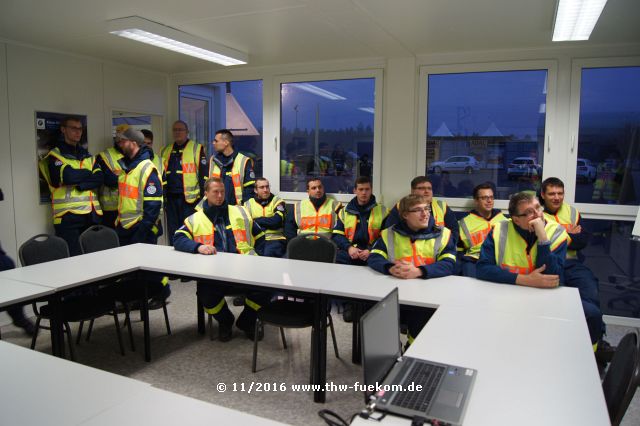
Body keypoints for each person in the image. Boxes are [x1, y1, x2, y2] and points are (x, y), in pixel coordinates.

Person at [174, 177, 267, 342]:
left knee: (267, 289)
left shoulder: (241, 211)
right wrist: (198, 247)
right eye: (215, 192)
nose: (220, 196)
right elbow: (178, 238)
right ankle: (225, 321)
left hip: (244, 270)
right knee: (205, 294)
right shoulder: (195, 218)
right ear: (206, 194)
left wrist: (258, 260)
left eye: (222, 192)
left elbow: (260, 236)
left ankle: (247, 321)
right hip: (213, 273)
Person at [368, 194, 456, 343]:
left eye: (427, 209)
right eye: (418, 210)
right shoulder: (389, 233)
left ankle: (412, 346)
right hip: (396, 290)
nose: (425, 213)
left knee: (421, 322)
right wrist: (389, 268)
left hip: (429, 295)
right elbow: (374, 256)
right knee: (374, 311)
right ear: (405, 215)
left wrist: (419, 271)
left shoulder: (444, 234)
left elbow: (448, 263)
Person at [540, 177, 610, 354]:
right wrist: (568, 233)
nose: (556, 197)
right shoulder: (536, 213)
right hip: (551, 263)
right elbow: (543, 244)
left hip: (572, 262)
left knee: (590, 289)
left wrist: (559, 235)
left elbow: (582, 241)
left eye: (560, 193)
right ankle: (562, 341)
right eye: (552, 193)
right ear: (543, 195)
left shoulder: (572, 212)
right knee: (559, 299)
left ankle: (597, 340)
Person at [115, 128, 169, 304]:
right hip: (125, 226)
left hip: (141, 227)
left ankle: (163, 291)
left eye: (122, 141)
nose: (119, 144)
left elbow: (153, 206)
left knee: (150, 268)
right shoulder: (126, 167)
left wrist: (142, 231)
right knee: (133, 270)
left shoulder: (147, 168)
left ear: (133, 142)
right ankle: (137, 298)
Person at [39, 116, 103, 256]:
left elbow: (99, 178)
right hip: (68, 218)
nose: (78, 132)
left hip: (91, 215)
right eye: (73, 128)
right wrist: (87, 173)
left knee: (94, 258)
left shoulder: (87, 155)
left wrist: (80, 185)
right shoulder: (56, 155)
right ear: (63, 130)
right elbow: (67, 177)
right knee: (74, 260)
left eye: (80, 129)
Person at [476, 192, 568, 288]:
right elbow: (482, 268)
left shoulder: (557, 232)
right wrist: (526, 280)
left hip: (544, 293)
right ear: (516, 220)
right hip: (508, 290)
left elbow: (553, 277)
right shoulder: (499, 230)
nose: (538, 215)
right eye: (529, 212)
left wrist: (543, 238)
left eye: (538, 207)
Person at [161, 120, 207, 245]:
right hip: (170, 199)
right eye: (175, 130)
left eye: (180, 130)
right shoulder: (166, 150)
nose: (177, 132)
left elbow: (204, 176)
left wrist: (203, 200)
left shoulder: (197, 148)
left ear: (187, 132)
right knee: (172, 230)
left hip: (189, 201)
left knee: (188, 229)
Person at [382, 176, 459, 244]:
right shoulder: (402, 206)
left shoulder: (442, 206)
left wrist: (448, 246)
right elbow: (390, 231)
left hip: (437, 249)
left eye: (429, 188)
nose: (427, 191)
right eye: (422, 188)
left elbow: (454, 231)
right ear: (412, 191)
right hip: (409, 247)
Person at [332, 176, 388, 266]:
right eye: (361, 189)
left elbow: (386, 237)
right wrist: (349, 248)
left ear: (371, 190)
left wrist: (370, 250)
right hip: (349, 253)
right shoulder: (343, 211)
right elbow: (336, 235)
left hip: (372, 253)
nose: (364, 193)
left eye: (367, 189)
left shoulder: (383, 211)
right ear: (355, 191)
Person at [457, 183, 507, 277]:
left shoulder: (504, 221)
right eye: (484, 198)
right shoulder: (464, 223)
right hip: (474, 262)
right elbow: (459, 252)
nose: (489, 201)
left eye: (491, 197)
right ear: (476, 201)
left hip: (498, 260)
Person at [209, 129, 255, 206]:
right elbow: (207, 186)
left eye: (216, 141)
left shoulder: (244, 160)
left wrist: (243, 207)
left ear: (226, 142)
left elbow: (249, 189)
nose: (213, 143)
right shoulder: (212, 160)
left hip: (236, 209)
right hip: (215, 208)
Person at [244, 177, 287, 258]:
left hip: (275, 239)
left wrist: (256, 220)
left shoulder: (277, 201)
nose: (265, 190)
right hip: (255, 240)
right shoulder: (248, 204)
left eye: (267, 187)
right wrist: (267, 221)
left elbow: (276, 222)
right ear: (255, 190)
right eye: (262, 187)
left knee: (267, 255)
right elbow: (247, 224)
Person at [96, 124, 127, 228]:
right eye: (120, 138)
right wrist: (129, 175)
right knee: (112, 241)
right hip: (110, 209)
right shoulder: (104, 156)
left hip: (129, 208)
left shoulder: (134, 155)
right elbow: (110, 180)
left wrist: (120, 173)